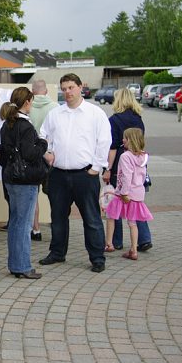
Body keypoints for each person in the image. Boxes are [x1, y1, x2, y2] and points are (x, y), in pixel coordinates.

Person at [39, 73, 111, 273]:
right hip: (59, 174)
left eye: (71, 87)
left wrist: (96, 167)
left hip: (85, 175)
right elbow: (43, 136)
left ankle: (97, 258)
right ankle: (57, 253)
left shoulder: (94, 113)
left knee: (91, 218)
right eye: (64, 89)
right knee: (58, 217)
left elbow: (104, 141)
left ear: (80, 87)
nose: (67, 92)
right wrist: (47, 152)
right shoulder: (55, 114)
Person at [0, 87, 48, 279]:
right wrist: (43, 143)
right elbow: (30, 154)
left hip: (11, 177)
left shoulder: (7, 124)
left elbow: (4, 154)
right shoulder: (25, 126)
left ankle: (15, 264)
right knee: (24, 224)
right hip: (25, 180)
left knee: (15, 222)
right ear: (27, 102)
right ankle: (23, 266)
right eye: (31, 101)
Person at [102, 88, 153, 252]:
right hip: (138, 163)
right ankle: (144, 238)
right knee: (136, 204)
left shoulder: (114, 120)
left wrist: (108, 168)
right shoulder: (139, 119)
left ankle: (115, 241)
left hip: (121, 164)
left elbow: (112, 147)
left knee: (116, 202)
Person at [104, 128, 154, 260]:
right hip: (138, 193)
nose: (123, 140)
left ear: (130, 140)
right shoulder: (143, 156)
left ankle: (109, 244)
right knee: (132, 222)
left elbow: (126, 175)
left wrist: (124, 193)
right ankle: (133, 250)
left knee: (110, 214)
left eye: (125, 138)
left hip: (123, 193)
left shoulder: (125, 156)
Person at [28, 79, 58, 241]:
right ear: (46, 91)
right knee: (54, 194)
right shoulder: (55, 108)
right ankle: (56, 225)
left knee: (33, 194)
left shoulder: (28, 107)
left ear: (32, 91)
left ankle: (36, 229)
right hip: (50, 156)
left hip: (32, 156)